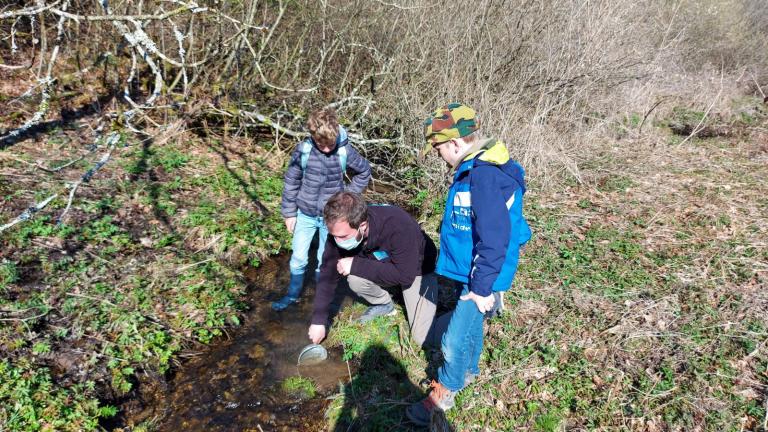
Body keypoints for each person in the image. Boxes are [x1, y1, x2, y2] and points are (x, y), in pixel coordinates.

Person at [406, 103, 532, 426]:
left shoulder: (484, 175)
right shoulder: (474, 170)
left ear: (456, 143)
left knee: (452, 339)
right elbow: (507, 223)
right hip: (474, 270)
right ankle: (470, 371)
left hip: (481, 274)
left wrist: (481, 287)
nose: (438, 157)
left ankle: (443, 394)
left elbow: (494, 235)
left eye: (438, 150)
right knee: (473, 324)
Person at [307, 191, 440, 348]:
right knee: (354, 279)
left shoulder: (398, 224)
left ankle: (463, 318)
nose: (337, 241)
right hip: (385, 264)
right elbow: (327, 274)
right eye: (333, 236)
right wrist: (318, 320)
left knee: (422, 337)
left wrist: (355, 265)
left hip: (418, 270)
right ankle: (385, 304)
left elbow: (406, 275)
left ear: (362, 225)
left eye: (342, 237)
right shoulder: (339, 229)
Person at [273, 108, 372, 311]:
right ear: (312, 136)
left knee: (323, 261)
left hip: (332, 218)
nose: (327, 149)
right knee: (299, 258)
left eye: (330, 144)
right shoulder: (303, 150)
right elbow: (291, 182)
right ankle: (292, 296)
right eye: (321, 144)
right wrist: (289, 214)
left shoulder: (345, 151)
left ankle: (321, 301)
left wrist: (347, 199)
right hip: (305, 214)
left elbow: (364, 171)